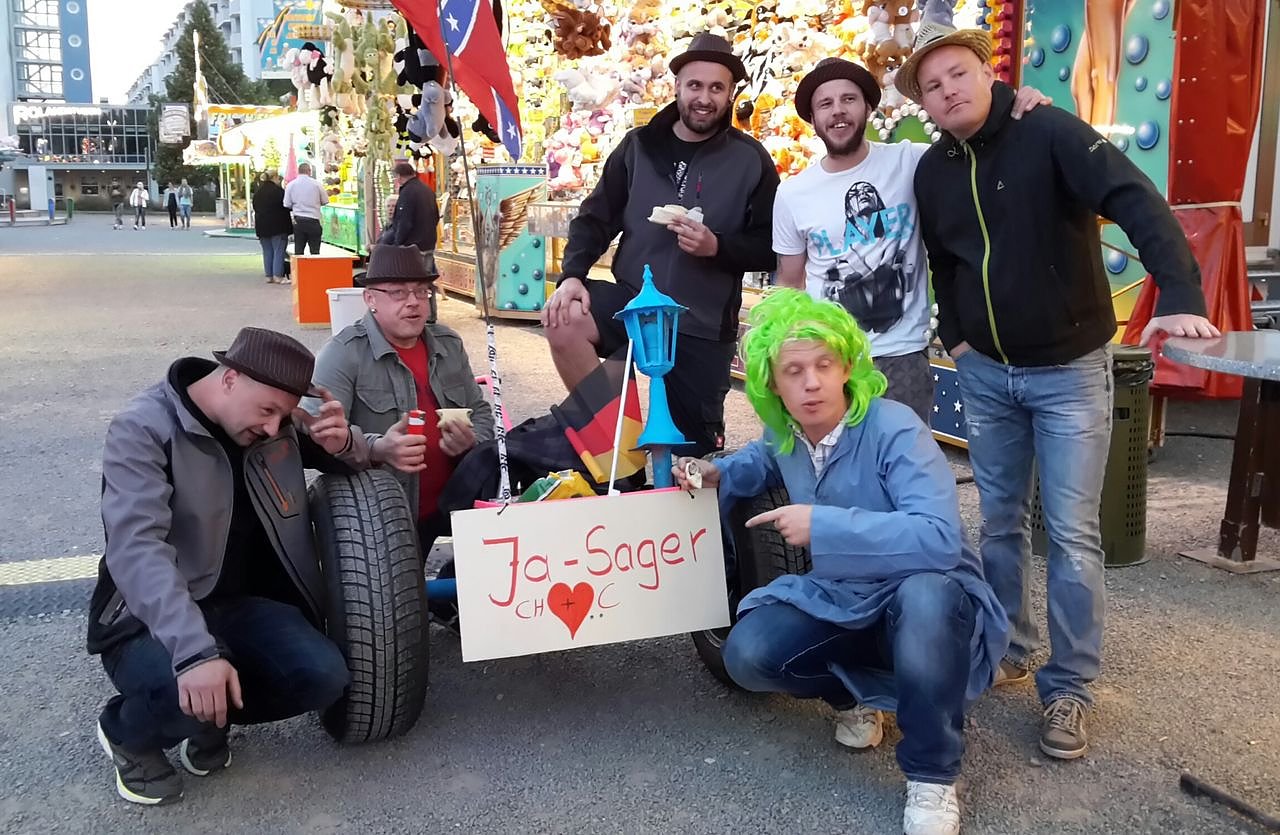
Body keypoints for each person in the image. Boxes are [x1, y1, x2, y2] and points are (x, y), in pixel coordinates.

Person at [899, 23, 1219, 760]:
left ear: (987, 71)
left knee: (1072, 534)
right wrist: (959, 336)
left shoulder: (1047, 131)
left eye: (957, 74)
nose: (947, 91)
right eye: (932, 86)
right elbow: (944, 259)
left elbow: (1133, 195)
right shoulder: (933, 170)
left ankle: (1069, 686)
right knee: (999, 522)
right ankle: (1009, 648)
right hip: (987, 374)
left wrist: (1179, 289)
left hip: (1070, 371)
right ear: (925, 103)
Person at [675, 289, 1007, 835]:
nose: (812, 382)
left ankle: (932, 775)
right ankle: (852, 698)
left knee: (927, 597)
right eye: (794, 371)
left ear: (848, 367)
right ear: (771, 384)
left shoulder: (896, 427)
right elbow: (760, 460)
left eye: (824, 365)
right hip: (844, 596)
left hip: (921, 594)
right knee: (748, 654)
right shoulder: (786, 433)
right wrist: (716, 474)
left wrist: (823, 525)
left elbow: (941, 539)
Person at [89, 327, 371, 805]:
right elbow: (136, 548)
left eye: (283, 415)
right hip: (149, 617)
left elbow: (342, 452)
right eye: (267, 411)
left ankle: (211, 713)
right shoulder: (143, 428)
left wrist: (352, 443)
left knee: (324, 676)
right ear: (230, 379)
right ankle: (127, 732)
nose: (274, 429)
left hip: (240, 605)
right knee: (185, 689)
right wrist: (196, 654)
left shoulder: (271, 419)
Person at [542, 32, 779, 458]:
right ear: (677, 86)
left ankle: (685, 475)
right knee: (564, 317)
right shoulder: (638, 146)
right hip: (633, 304)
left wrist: (717, 247)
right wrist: (573, 274)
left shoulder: (751, 159)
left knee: (694, 459)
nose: (704, 98)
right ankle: (616, 451)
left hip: (701, 322)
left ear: (730, 94)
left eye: (716, 88)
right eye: (695, 85)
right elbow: (596, 217)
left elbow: (770, 245)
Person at [774, 58, 1047, 423]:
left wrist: (1019, 107)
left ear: (868, 107)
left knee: (903, 456)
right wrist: (786, 358)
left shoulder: (911, 160)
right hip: (829, 358)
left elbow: (978, 143)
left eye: (849, 99)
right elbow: (789, 284)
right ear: (812, 117)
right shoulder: (793, 194)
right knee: (831, 455)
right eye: (826, 103)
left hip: (901, 356)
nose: (838, 111)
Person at [307, 244, 494, 564]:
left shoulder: (449, 344)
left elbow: (482, 412)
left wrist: (472, 440)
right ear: (370, 299)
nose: (413, 302)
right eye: (398, 292)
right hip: (383, 517)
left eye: (421, 291)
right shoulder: (343, 353)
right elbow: (314, 436)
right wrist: (378, 448)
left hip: (457, 502)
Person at [378, 161, 440, 278]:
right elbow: (436, 216)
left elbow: (404, 222)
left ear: (399, 176)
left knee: (411, 279)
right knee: (425, 279)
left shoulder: (407, 192)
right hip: (429, 244)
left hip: (412, 247)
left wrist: (397, 243)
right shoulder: (427, 190)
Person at [253, 171, 292, 284]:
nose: (279, 180)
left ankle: (269, 276)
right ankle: (278, 276)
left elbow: (255, 207)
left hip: (262, 226)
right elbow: (287, 205)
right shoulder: (279, 192)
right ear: (274, 177)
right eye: (278, 178)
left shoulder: (258, 192)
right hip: (278, 226)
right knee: (279, 250)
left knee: (267, 251)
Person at [283, 162, 328, 255]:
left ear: (298, 171)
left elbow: (286, 204)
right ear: (309, 171)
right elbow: (325, 201)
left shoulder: (291, 185)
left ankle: (300, 264)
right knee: (315, 251)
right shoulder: (317, 184)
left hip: (299, 221)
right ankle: (314, 264)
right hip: (314, 220)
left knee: (299, 250)